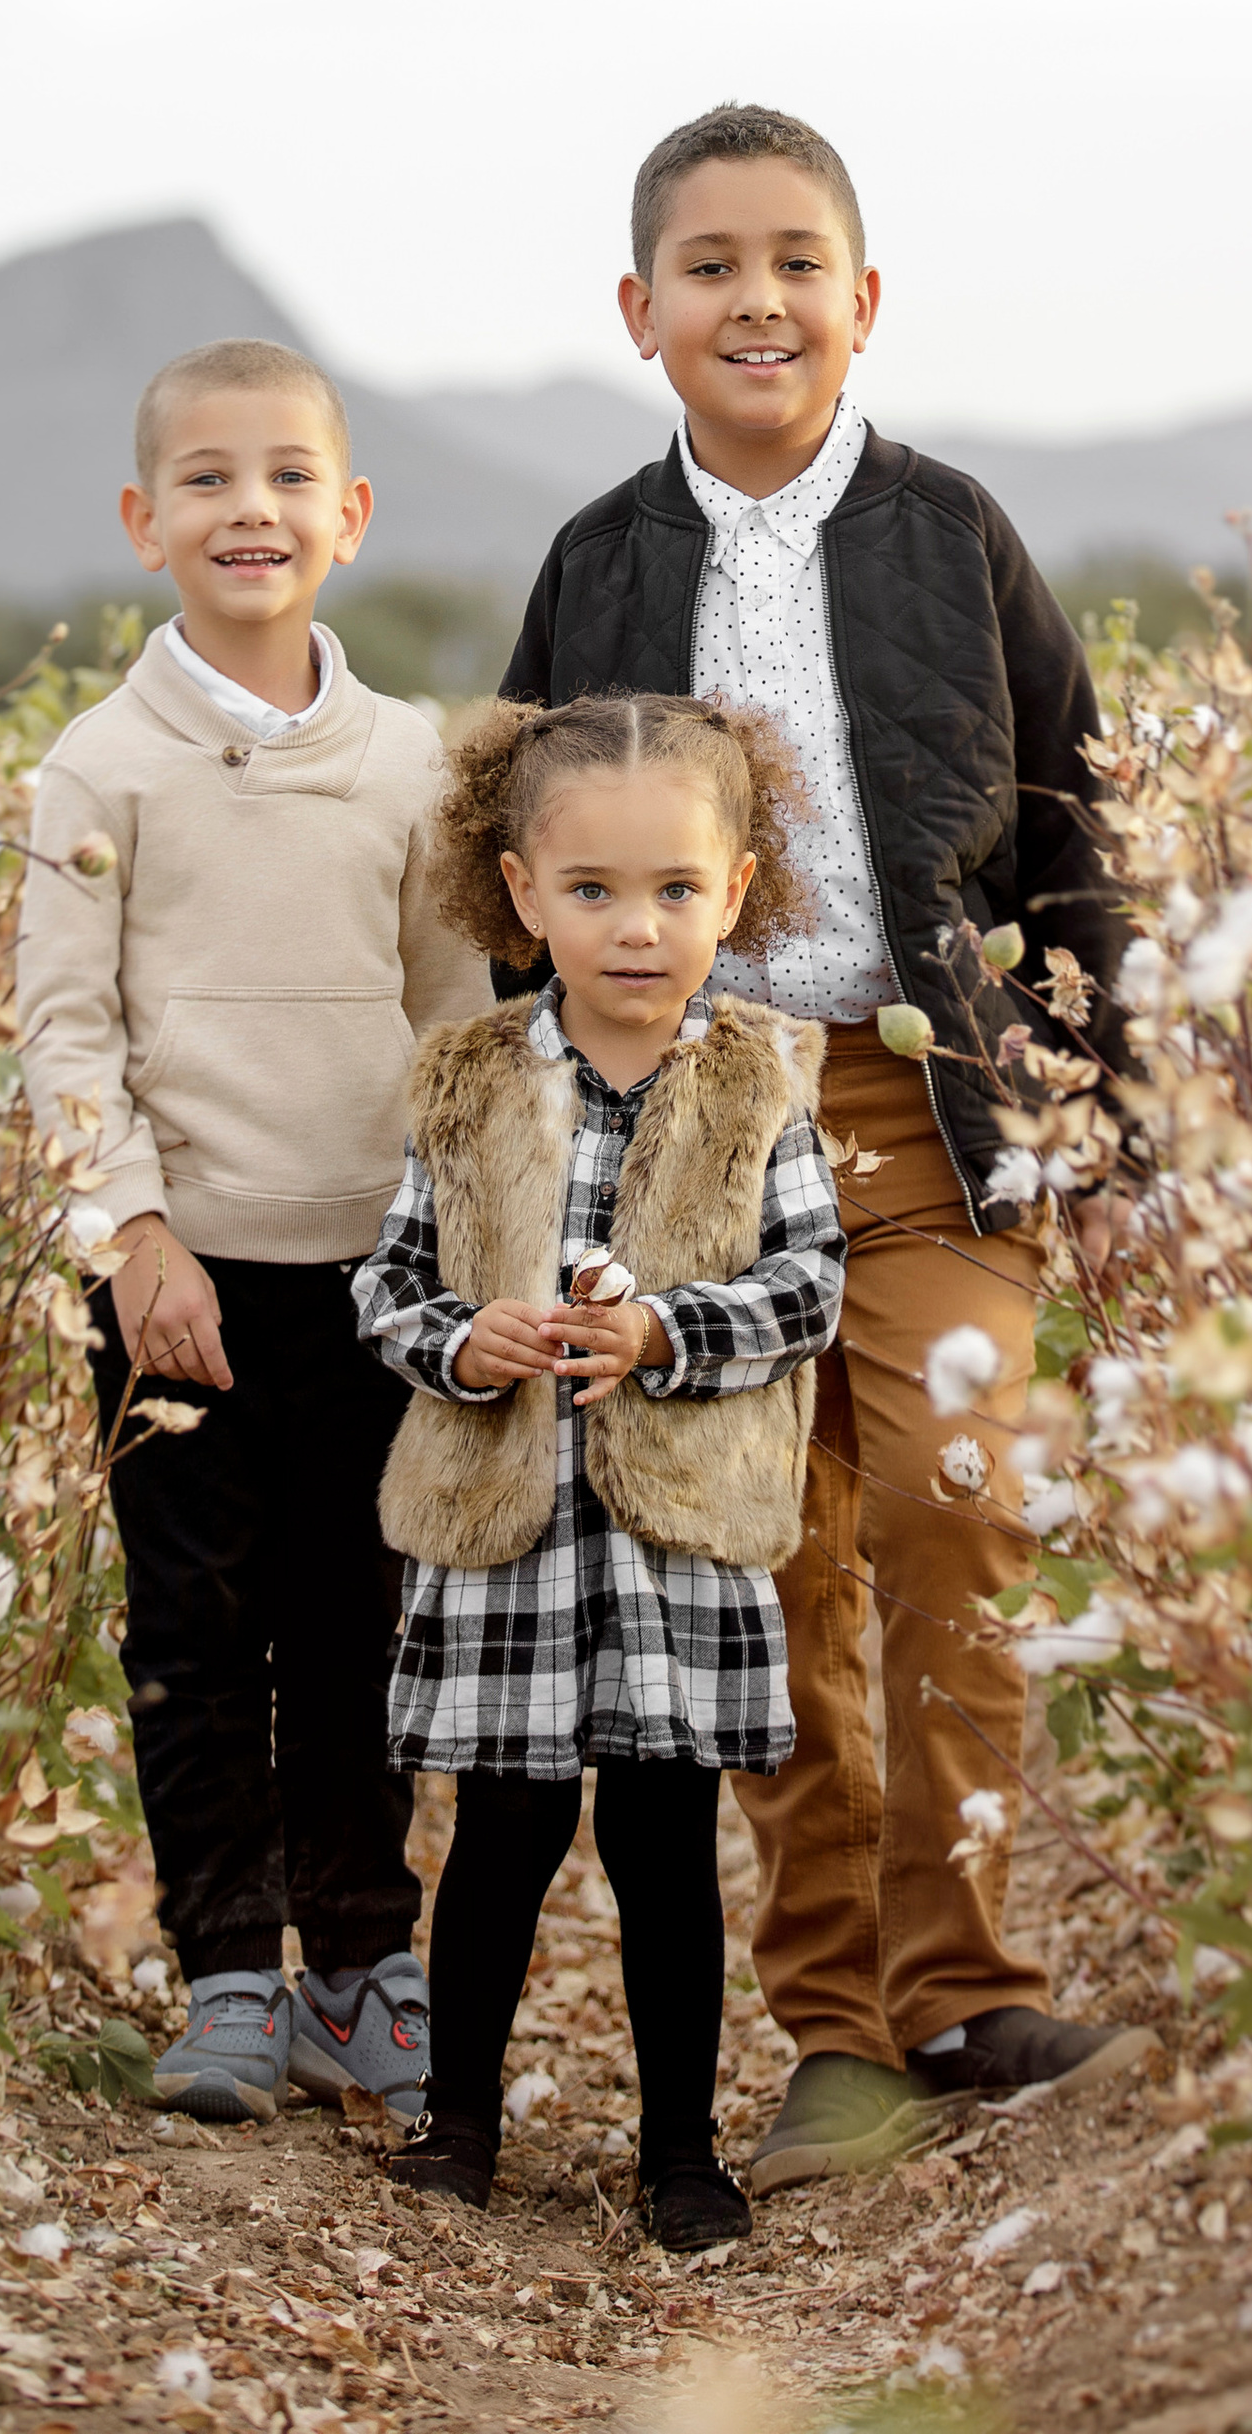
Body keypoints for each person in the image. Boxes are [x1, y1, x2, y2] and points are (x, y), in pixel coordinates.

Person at [498, 103, 1156, 2192]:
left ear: (860, 302)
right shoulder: (598, 561)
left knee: (954, 1510)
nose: (752, 298)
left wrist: (1106, 1108)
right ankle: (838, 2034)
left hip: (927, 1103)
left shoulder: (951, 533)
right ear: (639, 313)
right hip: (697, 1124)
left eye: (793, 261)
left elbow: (1068, 825)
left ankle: (964, 1977)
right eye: (707, 266)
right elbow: (509, 853)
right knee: (762, 1559)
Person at [17, 336, 489, 2131]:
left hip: (368, 1279)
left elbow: (454, 1024)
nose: (251, 507)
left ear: (349, 516)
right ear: (146, 521)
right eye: (207, 479)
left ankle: (363, 1969)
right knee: (195, 1636)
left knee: (359, 1627)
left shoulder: (412, 765)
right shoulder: (101, 766)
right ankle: (225, 1970)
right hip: (176, 1288)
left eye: (289, 475)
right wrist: (133, 1234)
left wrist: (452, 1250)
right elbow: (64, 1029)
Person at [354, 694, 843, 2254]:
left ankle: (682, 2152)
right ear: (518, 895)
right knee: (495, 1838)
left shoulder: (762, 1081)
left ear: (739, 891)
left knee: (660, 1842)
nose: (637, 929)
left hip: (674, 1537)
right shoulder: (471, 1077)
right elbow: (386, 1286)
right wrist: (464, 1340)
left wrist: (671, 1333)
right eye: (592, 892)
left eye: (677, 891)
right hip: (508, 1534)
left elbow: (810, 1285)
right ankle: (464, 2123)